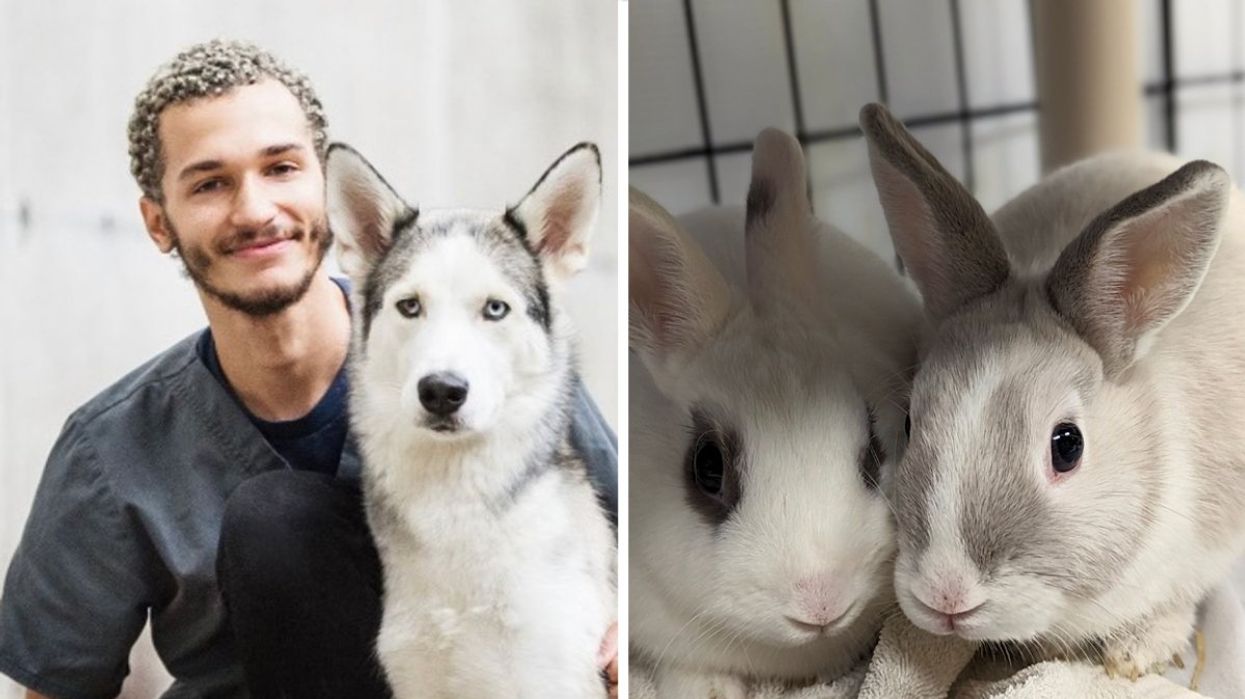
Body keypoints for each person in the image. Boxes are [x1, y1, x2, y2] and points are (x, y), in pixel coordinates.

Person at [0, 40, 618, 699]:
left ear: (328, 196)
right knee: (276, 521)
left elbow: (635, 536)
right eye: (210, 182)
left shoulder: (490, 369)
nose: (255, 210)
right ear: (158, 222)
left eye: (281, 167)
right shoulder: (110, 450)